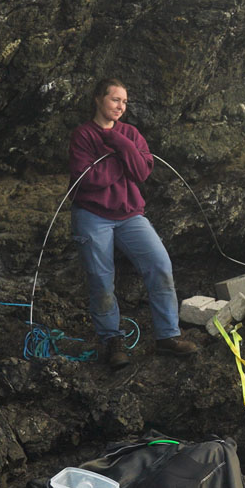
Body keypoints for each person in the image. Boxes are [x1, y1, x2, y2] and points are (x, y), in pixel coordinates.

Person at [69, 78, 198, 370]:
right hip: (91, 215)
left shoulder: (129, 133)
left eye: (124, 102)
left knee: (160, 265)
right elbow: (89, 180)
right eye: (115, 100)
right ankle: (111, 341)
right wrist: (125, 158)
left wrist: (118, 143)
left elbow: (140, 172)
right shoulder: (83, 135)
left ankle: (167, 337)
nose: (120, 107)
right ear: (98, 99)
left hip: (129, 214)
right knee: (101, 281)